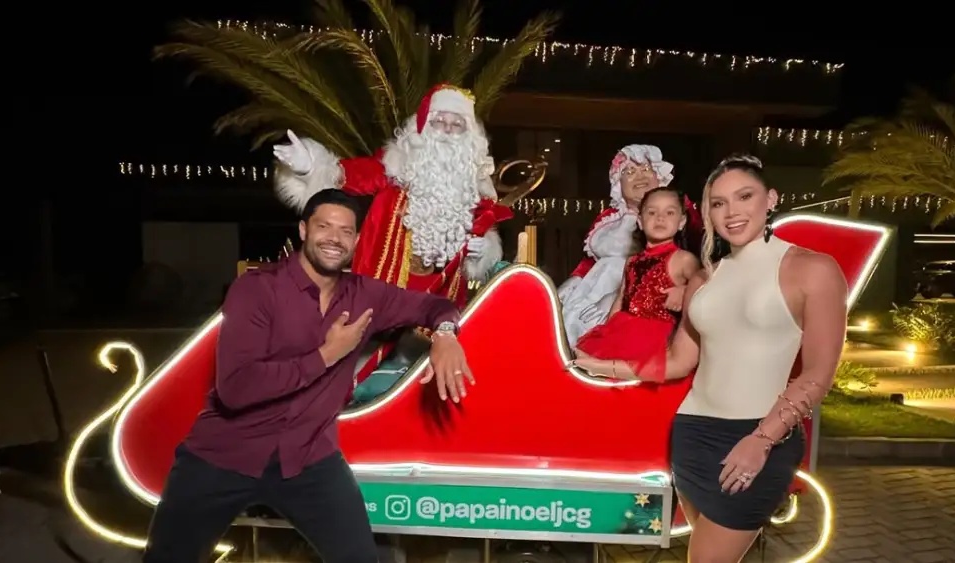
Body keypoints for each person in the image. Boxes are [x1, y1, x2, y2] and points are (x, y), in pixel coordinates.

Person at [143, 189, 474, 563]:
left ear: (357, 240)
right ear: (303, 230)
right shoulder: (257, 289)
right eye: (324, 226)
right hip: (224, 456)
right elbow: (236, 389)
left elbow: (436, 305)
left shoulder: (365, 296)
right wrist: (326, 355)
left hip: (309, 459)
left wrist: (445, 334)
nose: (334, 238)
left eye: (345, 231)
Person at [590, 155, 847, 562]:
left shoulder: (812, 269)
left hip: (760, 435)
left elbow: (818, 374)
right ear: (707, 212)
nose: (731, 212)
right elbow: (678, 361)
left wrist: (761, 440)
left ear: (771, 199)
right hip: (692, 435)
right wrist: (597, 366)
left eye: (745, 197)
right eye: (718, 203)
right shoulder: (705, 278)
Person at [273, 83, 512, 382]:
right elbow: (353, 176)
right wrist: (311, 167)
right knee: (357, 377)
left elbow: (484, 234)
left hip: (440, 310)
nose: (447, 132)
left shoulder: (472, 193)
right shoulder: (394, 171)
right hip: (381, 301)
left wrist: (483, 248)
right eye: (439, 122)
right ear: (421, 129)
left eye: (457, 125)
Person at [557, 145, 693, 347]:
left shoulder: (677, 219)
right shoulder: (609, 218)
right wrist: (574, 281)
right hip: (593, 290)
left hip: (641, 300)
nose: (639, 176)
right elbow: (591, 260)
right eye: (629, 172)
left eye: (646, 169)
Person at [566, 187, 701, 378]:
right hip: (621, 331)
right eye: (652, 212)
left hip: (656, 338)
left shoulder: (683, 259)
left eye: (669, 213)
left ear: (681, 222)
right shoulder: (632, 261)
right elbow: (622, 298)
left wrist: (685, 290)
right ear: (640, 221)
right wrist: (607, 329)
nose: (660, 218)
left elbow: (706, 291)